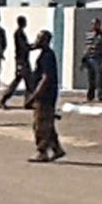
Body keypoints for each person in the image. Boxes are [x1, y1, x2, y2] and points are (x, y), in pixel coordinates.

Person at [26, 29, 66, 163]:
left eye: (39, 39)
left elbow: (46, 78)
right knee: (48, 124)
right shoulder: (45, 54)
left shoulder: (47, 56)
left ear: (45, 41)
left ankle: (42, 151)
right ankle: (56, 148)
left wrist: (34, 95)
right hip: (47, 95)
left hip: (45, 96)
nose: (36, 41)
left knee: (40, 125)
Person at [0, 16, 32, 109]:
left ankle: (28, 102)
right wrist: (33, 46)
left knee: (28, 82)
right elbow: (23, 47)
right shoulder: (18, 33)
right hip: (21, 60)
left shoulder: (21, 33)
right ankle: (4, 99)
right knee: (22, 82)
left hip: (23, 60)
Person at [83, 18, 102, 102]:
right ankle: (90, 96)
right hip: (89, 58)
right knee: (90, 79)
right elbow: (87, 47)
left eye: (96, 24)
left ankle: (101, 95)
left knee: (100, 79)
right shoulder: (88, 34)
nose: (95, 25)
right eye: (93, 24)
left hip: (99, 58)